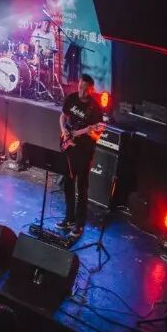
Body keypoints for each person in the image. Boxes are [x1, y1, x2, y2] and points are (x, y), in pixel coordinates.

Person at [60, 73, 103, 234]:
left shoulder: (95, 109)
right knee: (68, 183)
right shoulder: (71, 98)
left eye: (85, 89)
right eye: (80, 86)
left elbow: (97, 135)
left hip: (84, 152)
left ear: (91, 90)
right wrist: (64, 130)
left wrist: (89, 131)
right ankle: (68, 218)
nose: (81, 90)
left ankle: (79, 223)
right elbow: (63, 116)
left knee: (82, 187)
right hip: (69, 147)